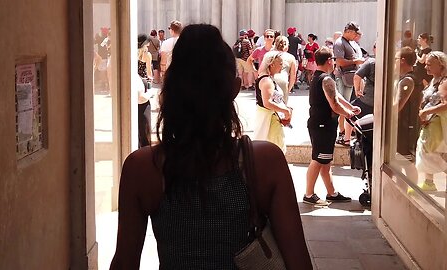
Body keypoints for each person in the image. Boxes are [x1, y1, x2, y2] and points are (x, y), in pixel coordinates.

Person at [110, 23, 312, 270]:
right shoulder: (266, 162)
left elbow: (124, 262)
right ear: (235, 89)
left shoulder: (142, 168)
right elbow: (299, 263)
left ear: (168, 91)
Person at [303, 46, 361, 206]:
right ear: (329, 61)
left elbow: (336, 96)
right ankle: (309, 194)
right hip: (322, 125)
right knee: (318, 159)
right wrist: (349, 114)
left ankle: (331, 192)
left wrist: (350, 107)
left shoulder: (320, 77)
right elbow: (334, 104)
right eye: (333, 59)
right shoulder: (326, 79)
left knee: (325, 160)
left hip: (321, 124)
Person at [415, 51, 447, 192]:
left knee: (439, 155)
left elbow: (446, 104)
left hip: (439, 126)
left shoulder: (444, 82)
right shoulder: (433, 81)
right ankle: (429, 183)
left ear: (441, 65)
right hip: (430, 124)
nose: (426, 67)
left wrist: (426, 112)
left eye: (429, 64)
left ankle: (429, 183)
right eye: (426, 64)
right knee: (429, 153)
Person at [393, 47, 423, 191]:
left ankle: (409, 191)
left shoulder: (407, 80)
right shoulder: (410, 79)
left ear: (403, 61)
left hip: (405, 128)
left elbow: (397, 106)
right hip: (406, 126)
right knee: (401, 162)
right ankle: (404, 191)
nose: (394, 63)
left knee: (405, 163)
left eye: (396, 60)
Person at [253, 51, 293, 153]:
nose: (282, 66)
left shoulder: (267, 79)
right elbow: (267, 103)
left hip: (271, 119)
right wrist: (285, 111)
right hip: (270, 120)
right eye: (280, 63)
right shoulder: (267, 81)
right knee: (276, 148)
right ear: (272, 64)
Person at [333, 21, 365, 145]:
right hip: (343, 77)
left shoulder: (350, 43)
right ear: (349, 31)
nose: (355, 36)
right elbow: (339, 62)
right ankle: (341, 132)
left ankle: (344, 131)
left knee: (347, 104)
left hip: (349, 78)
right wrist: (355, 61)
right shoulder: (340, 43)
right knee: (343, 105)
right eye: (354, 33)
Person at [343, 43, 376, 145]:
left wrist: (357, 91)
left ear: (375, 49)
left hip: (368, 99)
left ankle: (347, 138)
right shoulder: (392, 62)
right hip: (383, 101)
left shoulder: (371, 62)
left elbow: (357, 76)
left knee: (350, 112)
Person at [273, 35, 297, 103]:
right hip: (283, 80)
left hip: (270, 80)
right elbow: (293, 76)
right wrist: (288, 89)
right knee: (282, 106)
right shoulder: (291, 57)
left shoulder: (269, 55)